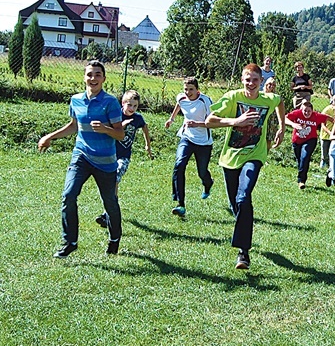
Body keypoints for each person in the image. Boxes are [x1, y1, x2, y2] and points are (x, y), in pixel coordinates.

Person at [38, 60, 124, 258]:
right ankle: (70, 242)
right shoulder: (76, 100)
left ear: (104, 78)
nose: (93, 78)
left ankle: (114, 238)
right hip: (81, 155)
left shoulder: (110, 102)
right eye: (89, 74)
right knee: (68, 195)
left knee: (110, 202)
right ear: (84, 77)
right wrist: (49, 137)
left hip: (105, 161)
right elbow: (73, 126)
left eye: (97, 75)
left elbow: (120, 135)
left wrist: (105, 129)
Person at [205, 63, 285, 270]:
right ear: (242, 80)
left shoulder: (267, 100)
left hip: (255, 155)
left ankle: (243, 253)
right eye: (247, 80)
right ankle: (244, 229)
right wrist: (236, 121)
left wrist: (282, 127)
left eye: (255, 80)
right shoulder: (233, 97)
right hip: (230, 158)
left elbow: (280, 102)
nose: (251, 84)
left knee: (244, 197)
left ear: (261, 81)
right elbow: (209, 120)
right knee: (236, 205)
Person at [95, 89, 153, 228]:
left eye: (135, 106)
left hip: (123, 157)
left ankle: (107, 214)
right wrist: (122, 126)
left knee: (114, 178)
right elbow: (106, 129)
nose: (132, 108)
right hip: (109, 155)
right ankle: (110, 212)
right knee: (110, 183)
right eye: (129, 105)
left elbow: (145, 128)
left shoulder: (138, 118)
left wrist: (148, 145)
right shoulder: (116, 115)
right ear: (123, 103)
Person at [165, 77, 214, 217]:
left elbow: (213, 122)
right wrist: (171, 119)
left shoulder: (205, 101)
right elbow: (179, 105)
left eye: (191, 89)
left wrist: (197, 124)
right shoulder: (181, 98)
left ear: (197, 90)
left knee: (202, 172)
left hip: (203, 142)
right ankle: (180, 203)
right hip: (186, 137)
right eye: (185, 89)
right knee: (179, 164)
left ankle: (208, 183)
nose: (187, 92)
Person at [286, 101, 332, 189]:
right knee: (300, 160)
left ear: (312, 111)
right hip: (297, 141)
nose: (307, 113)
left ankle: (301, 181)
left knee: (305, 156)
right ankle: (302, 174)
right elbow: (285, 118)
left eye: (309, 111)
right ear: (301, 110)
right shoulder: (297, 113)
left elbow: (330, 119)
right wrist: (293, 124)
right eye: (305, 111)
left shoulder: (316, 116)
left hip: (310, 140)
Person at [320, 94, 335, 170]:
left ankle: (332, 167)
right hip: (326, 135)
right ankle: (322, 166)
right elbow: (322, 124)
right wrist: (330, 133)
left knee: (333, 153)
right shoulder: (327, 109)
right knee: (324, 154)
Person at [263, 78, 281, 151]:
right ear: (266, 85)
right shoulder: (261, 94)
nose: (271, 86)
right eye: (270, 84)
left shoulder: (275, 96)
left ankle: (266, 152)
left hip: (272, 119)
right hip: (264, 117)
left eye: (273, 85)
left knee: (269, 138)